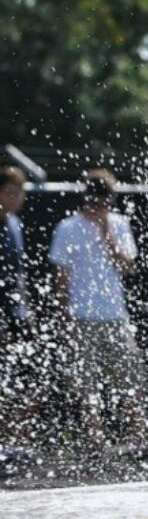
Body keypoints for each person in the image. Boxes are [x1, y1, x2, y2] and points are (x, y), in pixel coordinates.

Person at [49, 169, 148, 447]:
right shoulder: (68, 228)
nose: (98, 208)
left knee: (129, 375)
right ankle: (95, 438)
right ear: (85, 199)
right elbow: (61, 278)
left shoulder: (119, 225)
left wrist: (107, 235)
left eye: (104, 203)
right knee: (86, 382)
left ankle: (137, 436)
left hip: (115, 315)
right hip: (81, 316)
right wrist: (62, 316)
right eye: (94, 202)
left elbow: (127, 267)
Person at [1, 166, 31, 444]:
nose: (15, 197)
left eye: (19, 192)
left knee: (11, 380)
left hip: (12, 311)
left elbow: (19, 272)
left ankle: (9, 441)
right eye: (10, 192)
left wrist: (24, 307)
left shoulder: (15, 224)